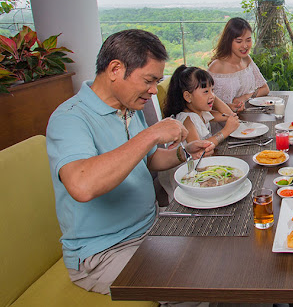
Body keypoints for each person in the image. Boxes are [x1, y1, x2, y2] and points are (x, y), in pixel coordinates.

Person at [46, 29, 215, 296]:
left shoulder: (128, 107)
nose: (152, 91)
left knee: (217, 246)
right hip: (105, 251)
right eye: (149, 81)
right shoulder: (69, 118)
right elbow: (82, 185)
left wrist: (184, 153)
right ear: (115, 69)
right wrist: (151, 134)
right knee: (194, 281)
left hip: (151, 227)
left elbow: (147, 161)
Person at [158, 65, 241, 200]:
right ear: (187, 96)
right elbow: (200, 150)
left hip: (201, 170)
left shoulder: (200, 113)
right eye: (205, 91)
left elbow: (229, 115)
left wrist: (211, 97)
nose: (212, 95)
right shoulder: (186, 119)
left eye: (212, 90)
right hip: (189, 178)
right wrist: (225, 132)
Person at [208, 17, 270, 112]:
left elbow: (265, 89)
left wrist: (245, 97)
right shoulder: (217, 66)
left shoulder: (246, 59)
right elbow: (206, 102)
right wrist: (230, 107)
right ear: (229, 41)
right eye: (239, 41)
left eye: (248, 40)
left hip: (246, 114)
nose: (245, 46)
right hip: (224, 120)